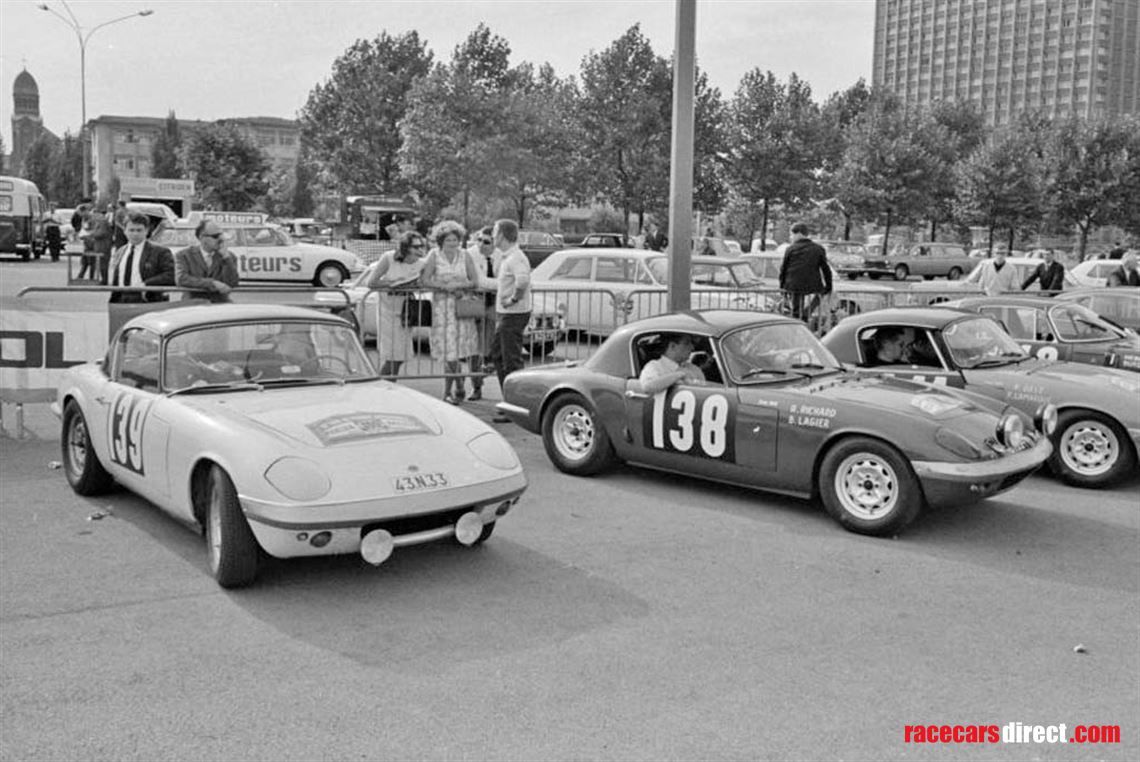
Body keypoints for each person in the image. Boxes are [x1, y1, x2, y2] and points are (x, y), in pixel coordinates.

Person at [419, 220, 481, 404]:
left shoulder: (465, 256)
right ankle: (453, 388)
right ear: (441, 241)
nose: (453, 243)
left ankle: (457, 387)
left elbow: (474, 281)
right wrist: (443, 287)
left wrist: (459, 285)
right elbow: (425, 279)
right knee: (448, 353)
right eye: (448, 240)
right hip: (442, 309)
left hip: (461, 308)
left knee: (459, 351)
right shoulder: (434, 255)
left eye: (455, 239)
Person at [489, 218, 532, 423]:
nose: (492, 237)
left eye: (494, 233)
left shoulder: (515, 257)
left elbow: (523, 280)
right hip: (509, 314)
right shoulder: (510, 256)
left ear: (502, 236)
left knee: (510, 359)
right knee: (499, 355)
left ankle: (516, 405)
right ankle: (511, 401)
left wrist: (513, 299)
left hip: (513, 315)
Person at [368, 230, 427, 377]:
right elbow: (372, 282)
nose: (420, 249)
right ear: (406, 247)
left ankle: (386, 385)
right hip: (387, 311)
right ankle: (380, 386)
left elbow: (425, 283)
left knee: (401, 357)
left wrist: (415, 286)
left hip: (405, 313)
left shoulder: (422, 264)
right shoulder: (388, 258)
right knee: (393, 356)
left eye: (421, 246)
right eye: (416, 246)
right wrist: (393, 284)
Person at [107, 211, 175, 303]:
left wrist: (146, 284)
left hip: (148, 300)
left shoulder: (160, 252)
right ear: (125, 231)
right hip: (121, 300)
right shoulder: (120, 252)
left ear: (147, 231)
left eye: (139, 230)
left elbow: (171, 276)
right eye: (131, 230)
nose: (135, 234)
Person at [778, 222, 832, 324]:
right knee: (820, 295)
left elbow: (783, 269)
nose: (791, 237)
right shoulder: (818, 249)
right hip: (813, 284)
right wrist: (829, 286)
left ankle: (798, 320)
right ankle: (806, 313)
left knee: (796, 309)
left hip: (793, 285)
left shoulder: (790, 249)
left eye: (792, 234)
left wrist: (782, 287)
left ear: (798, 233)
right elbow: (825, 269)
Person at [468, 226, 499, 401]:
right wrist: (500, 284)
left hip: (494, 304)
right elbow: (479, 281)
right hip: (476, 301)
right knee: (474, 347)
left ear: (495, 243)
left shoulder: (502, 255)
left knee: (493, 344)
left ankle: (490, 365)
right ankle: (476, 387)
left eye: (486, 241)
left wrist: (495, 284)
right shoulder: (471, 254)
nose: (481, 244)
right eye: (478, 239)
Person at [174, 220, 240, 302]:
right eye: (215, 236)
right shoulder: (184, 255)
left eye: (221, 235)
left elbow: (233, 282)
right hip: (193, 304)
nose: (221, 240)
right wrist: (212, 283)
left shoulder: (228, 256)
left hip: (219, 305)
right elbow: (181, 279)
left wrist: (226, 257)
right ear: (202, 238)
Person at [639, 333, 706, 394]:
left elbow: (706, 388)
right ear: (672, 346)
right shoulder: (654, 366)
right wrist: (679, 375)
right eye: (686, 343)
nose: (692, 348)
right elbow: (647, 386)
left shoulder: (694, 369)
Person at [87, 206, 114, 285]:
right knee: (101, 264)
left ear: (97, 214)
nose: (92, 217)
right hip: (100, 245)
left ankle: (104, 280)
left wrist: (92, 234)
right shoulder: (99, 222)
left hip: (103, 246)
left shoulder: (102, 222)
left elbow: (102, 233)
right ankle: (103, 279)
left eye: (93, 215)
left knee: (103, 264)